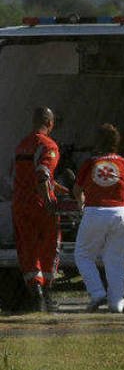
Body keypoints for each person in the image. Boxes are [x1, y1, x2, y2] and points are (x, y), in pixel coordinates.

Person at [72, 124, 124, 313]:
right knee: (115, 259)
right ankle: (116, 303)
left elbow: (77, 189)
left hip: (95, 211)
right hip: (120, 212)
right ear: (116, 143)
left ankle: (97, 292)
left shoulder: (90, 163)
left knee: (83, 255)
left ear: (97, 142)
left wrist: (80, 202)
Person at [12, 107, 63, 312]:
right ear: (50, 123)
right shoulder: (48, 145)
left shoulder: (22, 145)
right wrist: (48, 199)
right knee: (50, 246)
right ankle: (46, 296)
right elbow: (42, 173)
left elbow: (27, 175)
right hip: (40, 204)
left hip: (20, 204)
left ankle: (36, 297)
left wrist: (61, 187)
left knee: (28, 249)